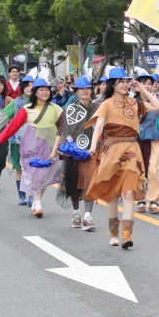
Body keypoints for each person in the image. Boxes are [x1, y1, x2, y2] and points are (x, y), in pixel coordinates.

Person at [83, 68, 159, 247]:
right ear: (113, 84)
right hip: (111, 150)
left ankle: (127, 236)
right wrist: (92, 145)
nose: (126, 85)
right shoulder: (106, 104)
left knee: (128, 193)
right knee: (112, 196)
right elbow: (98, 126)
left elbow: (158, 106)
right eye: (122, 81)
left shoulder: (134, 102)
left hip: (132, 150)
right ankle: (113, 233)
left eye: (128, 81)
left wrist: (141, 89)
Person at [0, 72, 65, 219]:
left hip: (51, 145)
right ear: (35, 92)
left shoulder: (56, 108)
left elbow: (65, 126)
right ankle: (38, 204)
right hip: (31, 144)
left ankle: (35, 203)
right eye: (41, 89)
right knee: (34, 174)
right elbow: (12, 127)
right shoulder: (26, 108)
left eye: (47, 89)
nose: (45, 92)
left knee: (47, 175)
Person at [55, 76, 99, 231]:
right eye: (82, 88)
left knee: (89, 183)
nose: (86, 91)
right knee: (73, 185)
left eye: (88, 88)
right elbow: (60, 131)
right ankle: (76, 214)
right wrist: (57, 150)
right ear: (76, 91)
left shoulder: (98, 108)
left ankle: (88, 217)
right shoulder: (68, 110)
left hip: (93, 151)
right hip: (72, 152)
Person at [0, 73, 36, 205]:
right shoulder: (16, 102)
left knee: (33, 168)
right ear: (22, 88)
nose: (30, 88)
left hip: (35, 140)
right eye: (27, 86)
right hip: (17, 141)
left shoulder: (41, 102)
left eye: (33, 86)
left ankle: (32, 195)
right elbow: (4, 116)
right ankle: (22, 196)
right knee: (18, 167)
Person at [133, 70, 159, 215]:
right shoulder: (130, 102)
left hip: (153, 139)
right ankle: (141, 200)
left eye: (149, 83)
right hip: (135, 140)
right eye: (143, 83)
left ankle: (153, 201)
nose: (147, 86)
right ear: (136, 85)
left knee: (153, 171)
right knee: (138, 171)